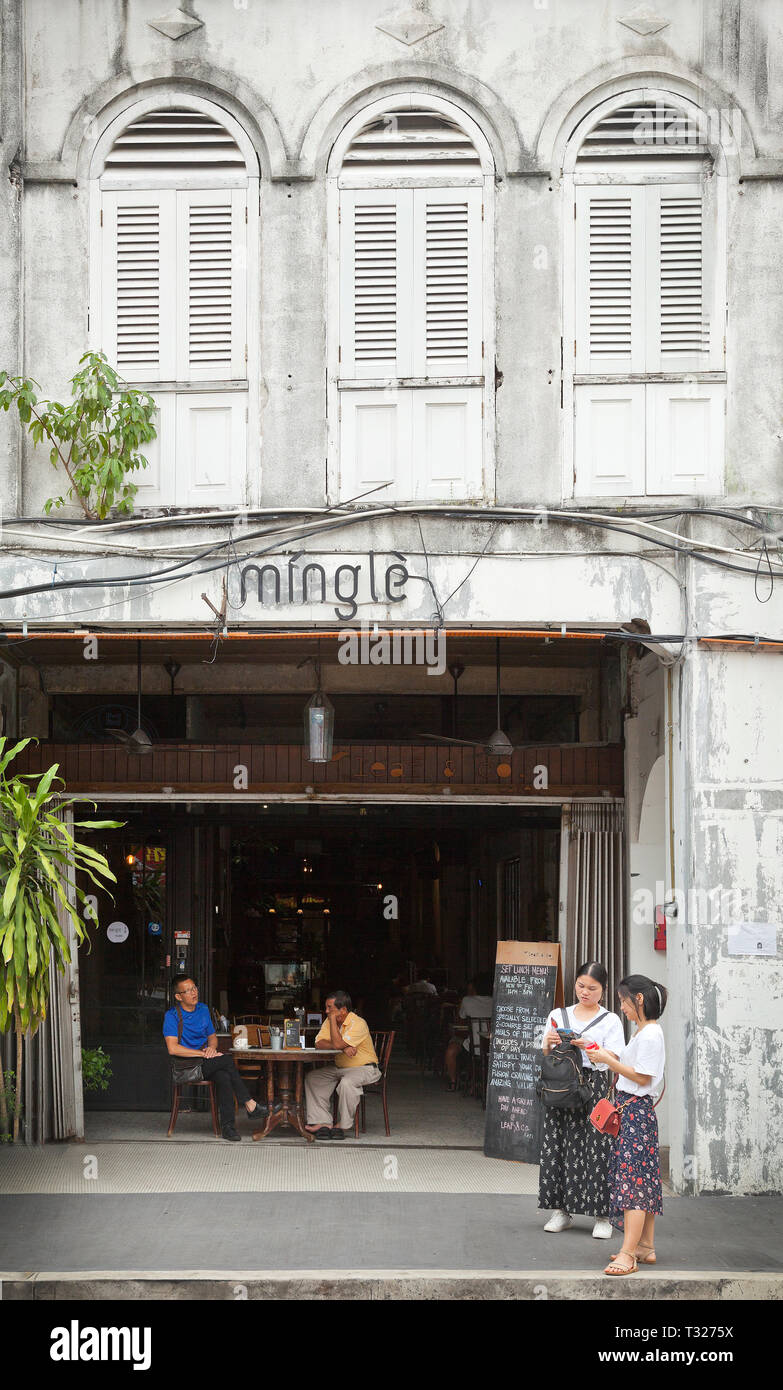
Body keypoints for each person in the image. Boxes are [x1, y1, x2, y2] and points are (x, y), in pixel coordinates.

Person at [538, 961, 626, 1240]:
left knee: (598, 1147)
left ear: (604, 990)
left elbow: (615, 1060)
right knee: (559, 1143)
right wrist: (549, 1042)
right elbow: (545, 1052)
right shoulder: (557, 1014)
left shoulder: (610, 1020)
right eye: (580, 985)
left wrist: (589, 1046)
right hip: (562, 1086)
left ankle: (603, 1215)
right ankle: (561, 1211)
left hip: (594, 1086)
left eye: (592, 988)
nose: (584, 992)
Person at [588, 974, 667, 1275]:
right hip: (636, 1114)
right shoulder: (645, 1031)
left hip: (635, 1114)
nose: (622, 1007)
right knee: (641, 1182)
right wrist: (603, 1052)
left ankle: (628, 1254)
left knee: (634, 1185)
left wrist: (607, 1061)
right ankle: (645, 1247)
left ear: (640, 1000)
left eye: (623, 1000)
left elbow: (642, 1077)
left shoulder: (649, 1034)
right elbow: (629, 1062)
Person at [163, 977, 266, 1142]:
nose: (194, 992)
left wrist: (211, 1048)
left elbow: (212, 1037)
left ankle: (228, 1128)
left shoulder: (203, 1010)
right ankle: (250, 1103)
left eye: (194, 988)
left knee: (224, 1076)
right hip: (186, 1067)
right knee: (226, 1061)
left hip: (206, 1063)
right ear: (178, 996)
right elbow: (172, 1048)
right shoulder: (172, 1016)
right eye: (188, 990)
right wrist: (203, 1054)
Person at [304, 989, 381, 1140]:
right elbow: (319, 1043)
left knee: (346, 1083)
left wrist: (338, 1041)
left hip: (365, 1068)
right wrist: (343, 1047)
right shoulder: (329, 1021)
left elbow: (336, 1042)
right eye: (326, 1007)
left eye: (329, 1008)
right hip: (341, 1067)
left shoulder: (358, 1023)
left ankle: (343, 1124)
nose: (326, 1011)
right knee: (313, 1078)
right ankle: (322, 1122)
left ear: (343, 1009)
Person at [444, 974, 493, 1089]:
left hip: (471, 1046)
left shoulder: (467, 1000)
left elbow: (460, 1019)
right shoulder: (495, 1001)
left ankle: (453, 1081)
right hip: (491, 1047)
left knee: (451, 1050)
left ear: (474, 987)